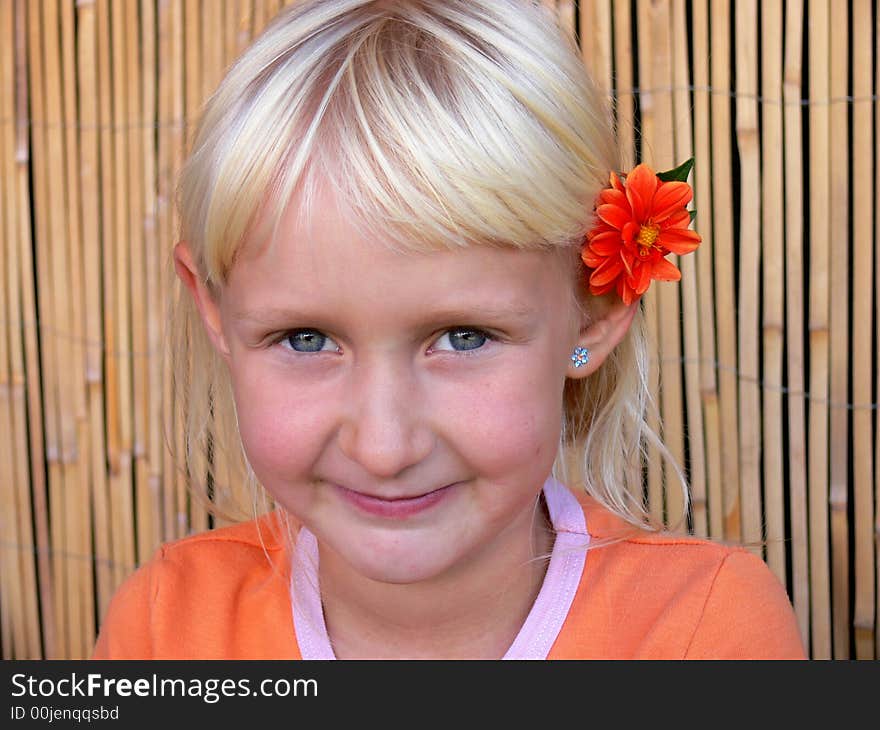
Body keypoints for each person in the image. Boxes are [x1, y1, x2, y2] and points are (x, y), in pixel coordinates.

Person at [92, 0, 805, 659]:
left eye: (464, 336)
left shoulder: (704, 633)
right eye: (305, 339)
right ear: (216, 313)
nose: (383, 447)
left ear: (596, 311)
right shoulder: (165, 629)